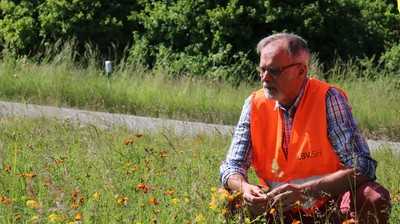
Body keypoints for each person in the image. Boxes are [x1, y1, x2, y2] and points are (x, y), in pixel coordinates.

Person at [220, 33, 391, 223]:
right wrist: (244, 187)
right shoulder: (254, 104)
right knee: (228, 197)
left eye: (274, 71)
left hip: (329, 204)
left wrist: (307, 192)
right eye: (262, 69)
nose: (265, 78)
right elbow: (231, 167)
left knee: (373, 196)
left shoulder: (328, 98)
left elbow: (363, 167)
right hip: (277, 206)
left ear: (301, 71)